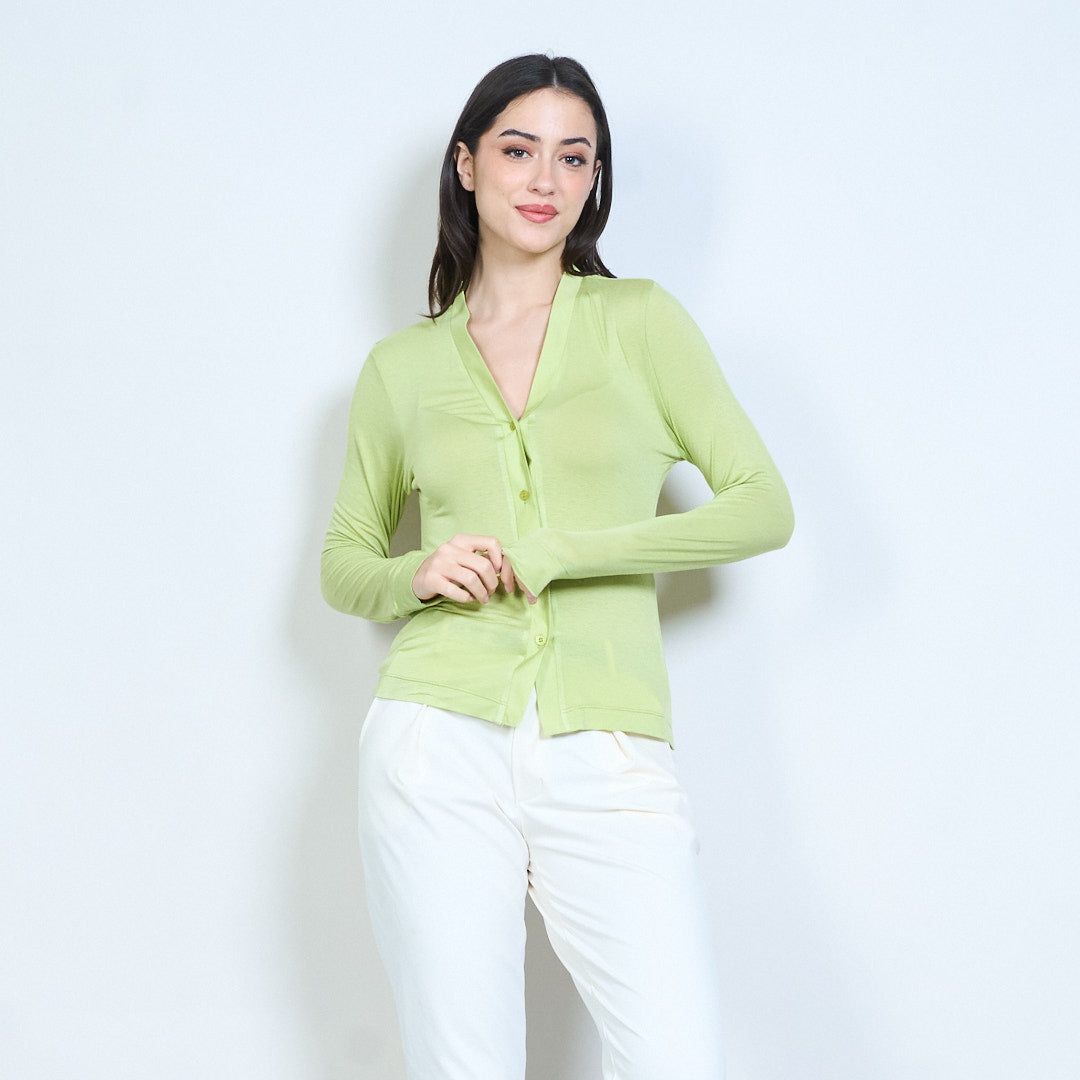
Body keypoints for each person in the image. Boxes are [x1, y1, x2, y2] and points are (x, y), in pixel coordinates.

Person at [321, 53, 794, 1080]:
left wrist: (569, 553)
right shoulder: (402, 368)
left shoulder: (641, 322)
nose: (545, 179)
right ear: (466, 165)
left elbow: (764, 506)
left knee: (674, 1058)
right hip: (435, 740)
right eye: (518, 150)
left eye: (573, 157)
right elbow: (344, 563)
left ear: (594, 180)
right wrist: (415, 574)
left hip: (606, 744)